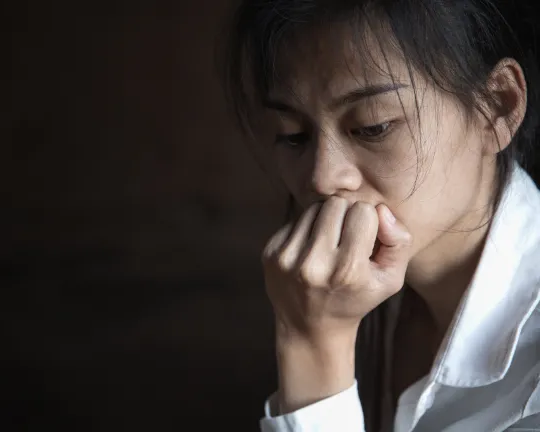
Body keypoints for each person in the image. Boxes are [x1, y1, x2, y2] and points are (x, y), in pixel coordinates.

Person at [223, 0, 540, 431]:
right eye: (293, 136)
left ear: (497, 107)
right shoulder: (359, 299)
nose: (322, 178)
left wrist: (314, 351)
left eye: (372, 126)